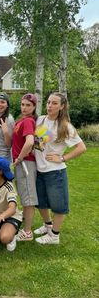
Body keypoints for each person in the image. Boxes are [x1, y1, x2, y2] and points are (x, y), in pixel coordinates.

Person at [34, 92, 86, 244]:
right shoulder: (41, 119)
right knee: (41, 202)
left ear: (62, 106)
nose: (50, 105)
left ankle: (54, 235)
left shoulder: (65, 126)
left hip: (55, 172)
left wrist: (62, 158)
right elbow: (39, 144)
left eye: (54, 103)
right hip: (39, 169)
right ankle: (47, 225)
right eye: (49, 102)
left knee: (58, 205)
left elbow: (81, 147)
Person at [12, 93, 38, 241]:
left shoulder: (28, 121)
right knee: (24, 196)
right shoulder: (21, 121)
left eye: (28, 105)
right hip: (22, 163)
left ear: (34, 107)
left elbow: (29, 142)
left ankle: (27, 232)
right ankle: (26, 228)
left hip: (25, 163)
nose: (24, 107)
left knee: (28, 199)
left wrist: (20, 158)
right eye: (23, 104)